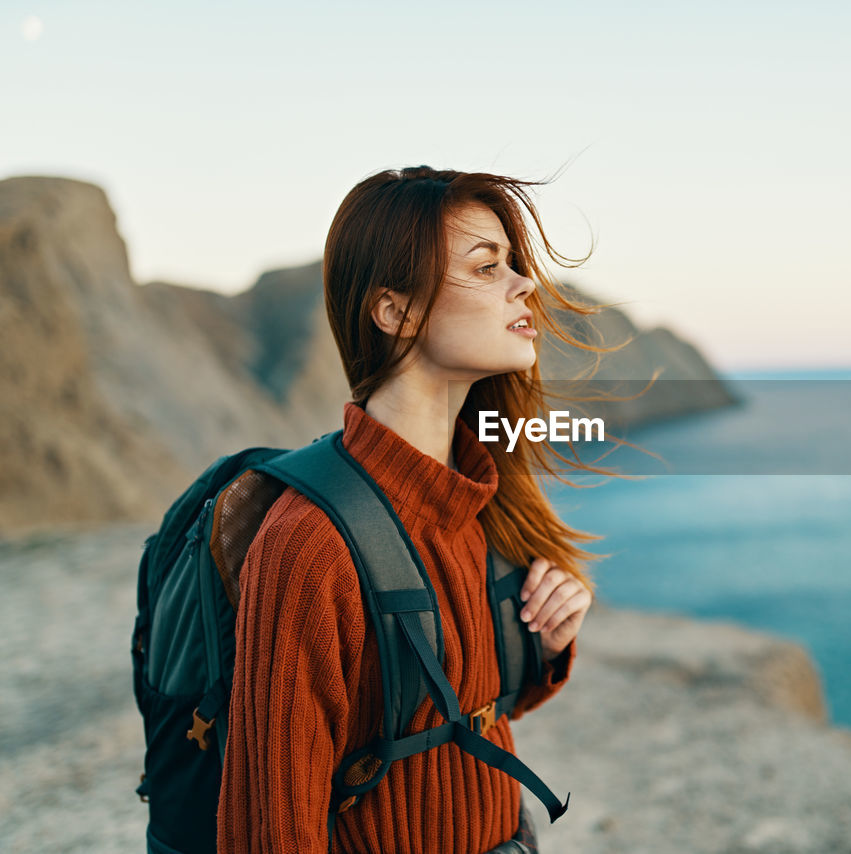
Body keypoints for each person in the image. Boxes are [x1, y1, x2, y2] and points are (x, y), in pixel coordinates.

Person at [216, 166, 618, 853]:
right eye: (488, 267)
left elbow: (456, 715)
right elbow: (268, 830)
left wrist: (542, 643)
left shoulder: (479, 496)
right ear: (395, 311)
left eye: (513, 264)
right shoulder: (308, 544)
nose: (526, 285)